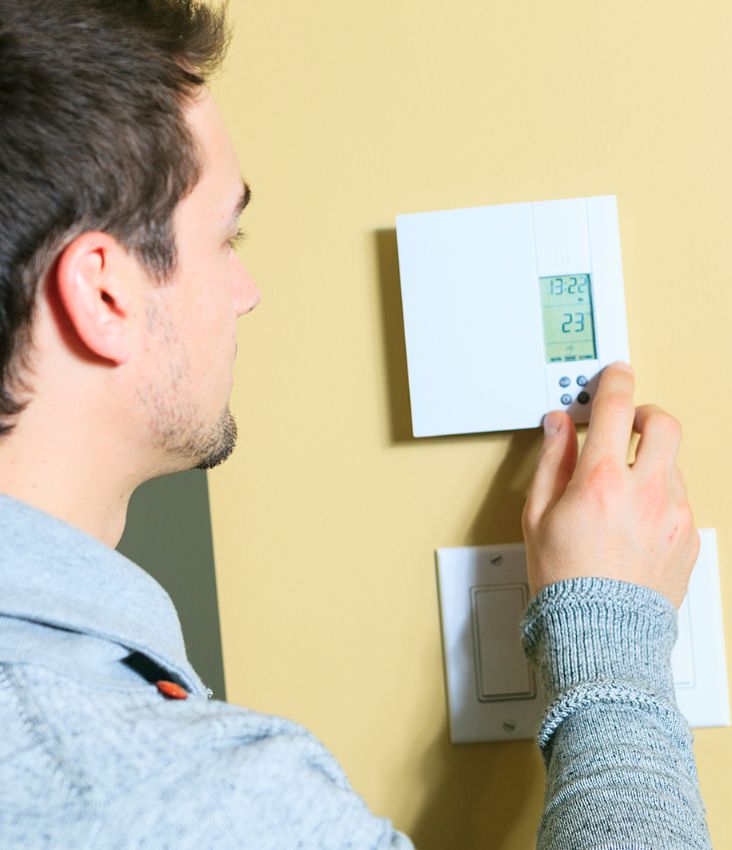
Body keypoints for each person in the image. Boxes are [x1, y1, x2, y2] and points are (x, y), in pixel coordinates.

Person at [0, 1, 712, 848]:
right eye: (228, 236)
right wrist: (612, 637)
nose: (247, 291)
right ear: (103, 295)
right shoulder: (200, 799)